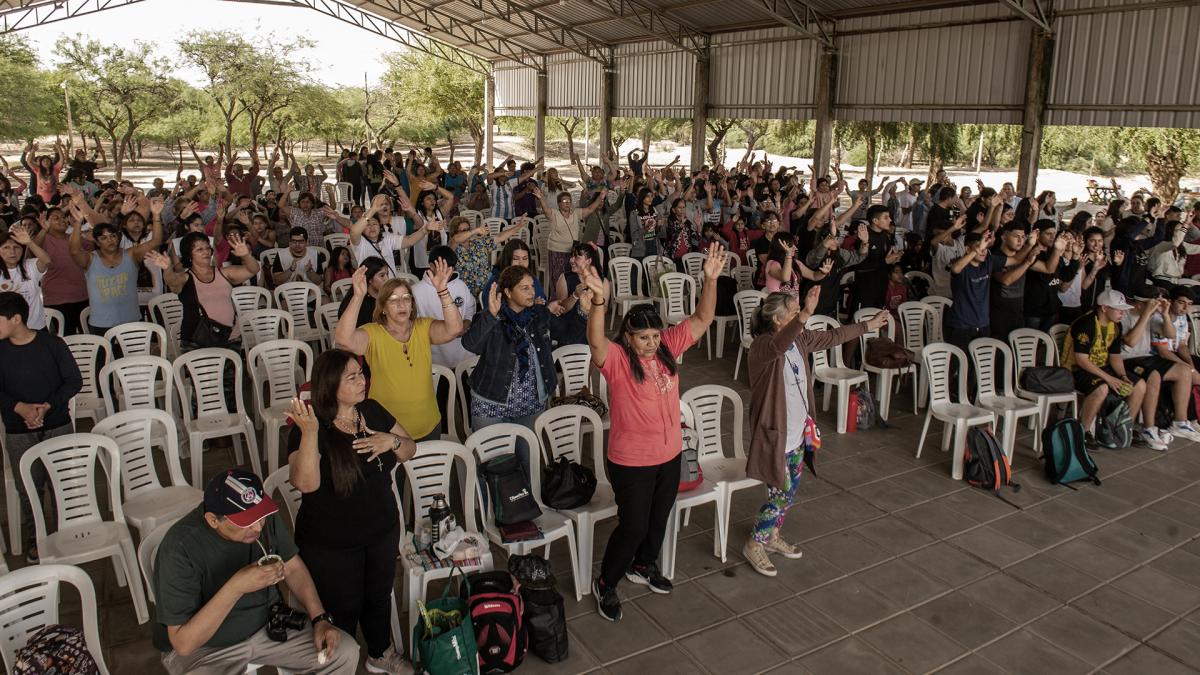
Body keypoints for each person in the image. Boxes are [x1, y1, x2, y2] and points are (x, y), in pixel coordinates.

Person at [578, 244, 726, 622]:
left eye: (655, 336)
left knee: (659, 517)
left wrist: (710, 279)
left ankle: (642, 566)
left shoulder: (668, 350)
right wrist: (599, 302)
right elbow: (595, 340)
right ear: (628, 337)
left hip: (670, 454)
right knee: (634, 525)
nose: (651, 343)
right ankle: (606, 582)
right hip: (631, 461)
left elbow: (703, 318)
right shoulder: (617, 361)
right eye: (643, 337)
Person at [152, 468, 358, 674]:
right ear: (213, 520)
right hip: (207, 649)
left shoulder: (262, 516)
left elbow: (293, 567)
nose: (258, 528)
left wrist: (319, 619)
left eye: (260, 517)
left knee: (344, 653)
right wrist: (236, 587)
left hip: (269, 625)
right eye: (246, 522)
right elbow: (183, 643)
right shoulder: (180, 549)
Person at [286, 351, 417, 673]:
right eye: (352, 377)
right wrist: (311, 434)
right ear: (330, 385)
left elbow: (410, 448)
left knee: (378, 595)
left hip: (381, 529)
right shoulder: (310, 425)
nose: (363, 382)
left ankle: (379, 653)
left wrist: (392, 442)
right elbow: (305, 483)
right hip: (331, 543)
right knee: (342, 607)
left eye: (362, 374)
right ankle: (339, 664)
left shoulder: (371, 411)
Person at [742, 288, 887, 576]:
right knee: (779, 493)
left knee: (789, 491)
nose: (801, 319)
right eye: (794, 314)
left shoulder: (800, 341)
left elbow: (832, 337)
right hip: (775, 435)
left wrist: (867, 327)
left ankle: (771, 536)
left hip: (797, 433)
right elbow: (777, 346)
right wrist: (806, 313)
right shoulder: (761, 347)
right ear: (776, 318)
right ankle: (755, 542)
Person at [335, 259, 463, 440]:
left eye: (406, 299)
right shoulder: (373, 333)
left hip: (428, 423)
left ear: (412, 305)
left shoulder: (423, 327)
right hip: (386, 428)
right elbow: (343, 340)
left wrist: (442, 291)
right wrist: (357, 296)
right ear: (383, 308)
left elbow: (455, 329)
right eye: (393, 300)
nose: (401, 305)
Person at [0, 292, 82, 562]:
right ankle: (37, 537)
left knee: (61, 483)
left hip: (56, 423)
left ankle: (64, 533)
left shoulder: (51, 344)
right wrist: (20, 408)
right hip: (17, 429)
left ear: (16, 319)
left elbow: (73, 381)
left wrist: (47, 405)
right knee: (28, 488)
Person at [462, 266, 562, 471]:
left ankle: (529, 501)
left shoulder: (538, 314)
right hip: (491, 403)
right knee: (492, 465)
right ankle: (492, 503)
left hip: (530, 401)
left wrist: (584, 310)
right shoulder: (491, 316)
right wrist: (491, 315)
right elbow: (470, 345)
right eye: (524, 288)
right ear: (508, 292)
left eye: (532, 287)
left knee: (529, 461)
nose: (532, 292)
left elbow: (566, 332)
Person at [1062, 290, 1150, 448]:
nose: (1123, 313)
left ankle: (1121, 428)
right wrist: (1110, 379)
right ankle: (1084, 431)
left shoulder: (1115, 326)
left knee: (1139, 385)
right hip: (1076, 370)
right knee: (1101, 388)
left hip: (1100, 366)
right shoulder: (1086, 323)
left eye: (1124, 310)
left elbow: (1115, 356)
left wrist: (1122, 376)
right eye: (1118, 309)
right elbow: (1082, 360)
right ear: (1104, 308)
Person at [67, 191, 163, 335]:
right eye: (104, 238)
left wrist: (156, 216)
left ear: (118, 238)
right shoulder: (90, 259)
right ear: (97, 242)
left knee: (135, 357)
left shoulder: (131, 254)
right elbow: (74, 251)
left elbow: (155, 241)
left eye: (112, 236)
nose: (110, 240)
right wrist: (77, 224)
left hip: (131, 321)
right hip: (101, 324)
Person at [147, 230, 260, 351]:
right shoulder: (185, 278)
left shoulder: (224, 272)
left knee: (234, 370)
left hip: (231, 337)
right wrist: (167, 269)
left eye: (207, 248)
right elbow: (172, 282)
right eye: (199, 249)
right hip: (197, 340)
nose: (206, 252)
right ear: (189, 254)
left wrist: (246, 256)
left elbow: (253, 269)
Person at [412, 246, 477, 369]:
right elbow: (415, 327)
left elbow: (470, 308)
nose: (448, 272)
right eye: (444, 267)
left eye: (451, 268)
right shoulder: (416, 291)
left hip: (464, 355)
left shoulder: (460, 285)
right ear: (431, 266)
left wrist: (465, 324)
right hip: (435, 361)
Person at [536, 186, 608, 290]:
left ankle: (571, 299)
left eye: (569, 201)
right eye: (564, 201)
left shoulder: (576, 213)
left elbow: (590, 209)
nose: (567, 203)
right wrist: (541, 198)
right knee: (557, 277)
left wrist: (600, 197)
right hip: (557, 251)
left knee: (572, 278)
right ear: (559, 204)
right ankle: (557, 301)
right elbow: (546, 210)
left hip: (573, 252)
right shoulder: (554, 214)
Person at [0, 224, 51, 331]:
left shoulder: (30, 266)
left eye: (17, 247)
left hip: (36, 328)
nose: (12, 252)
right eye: (6, 247)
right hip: (7, 331)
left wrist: (29, 242)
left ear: (23, 250)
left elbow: (46, 260)